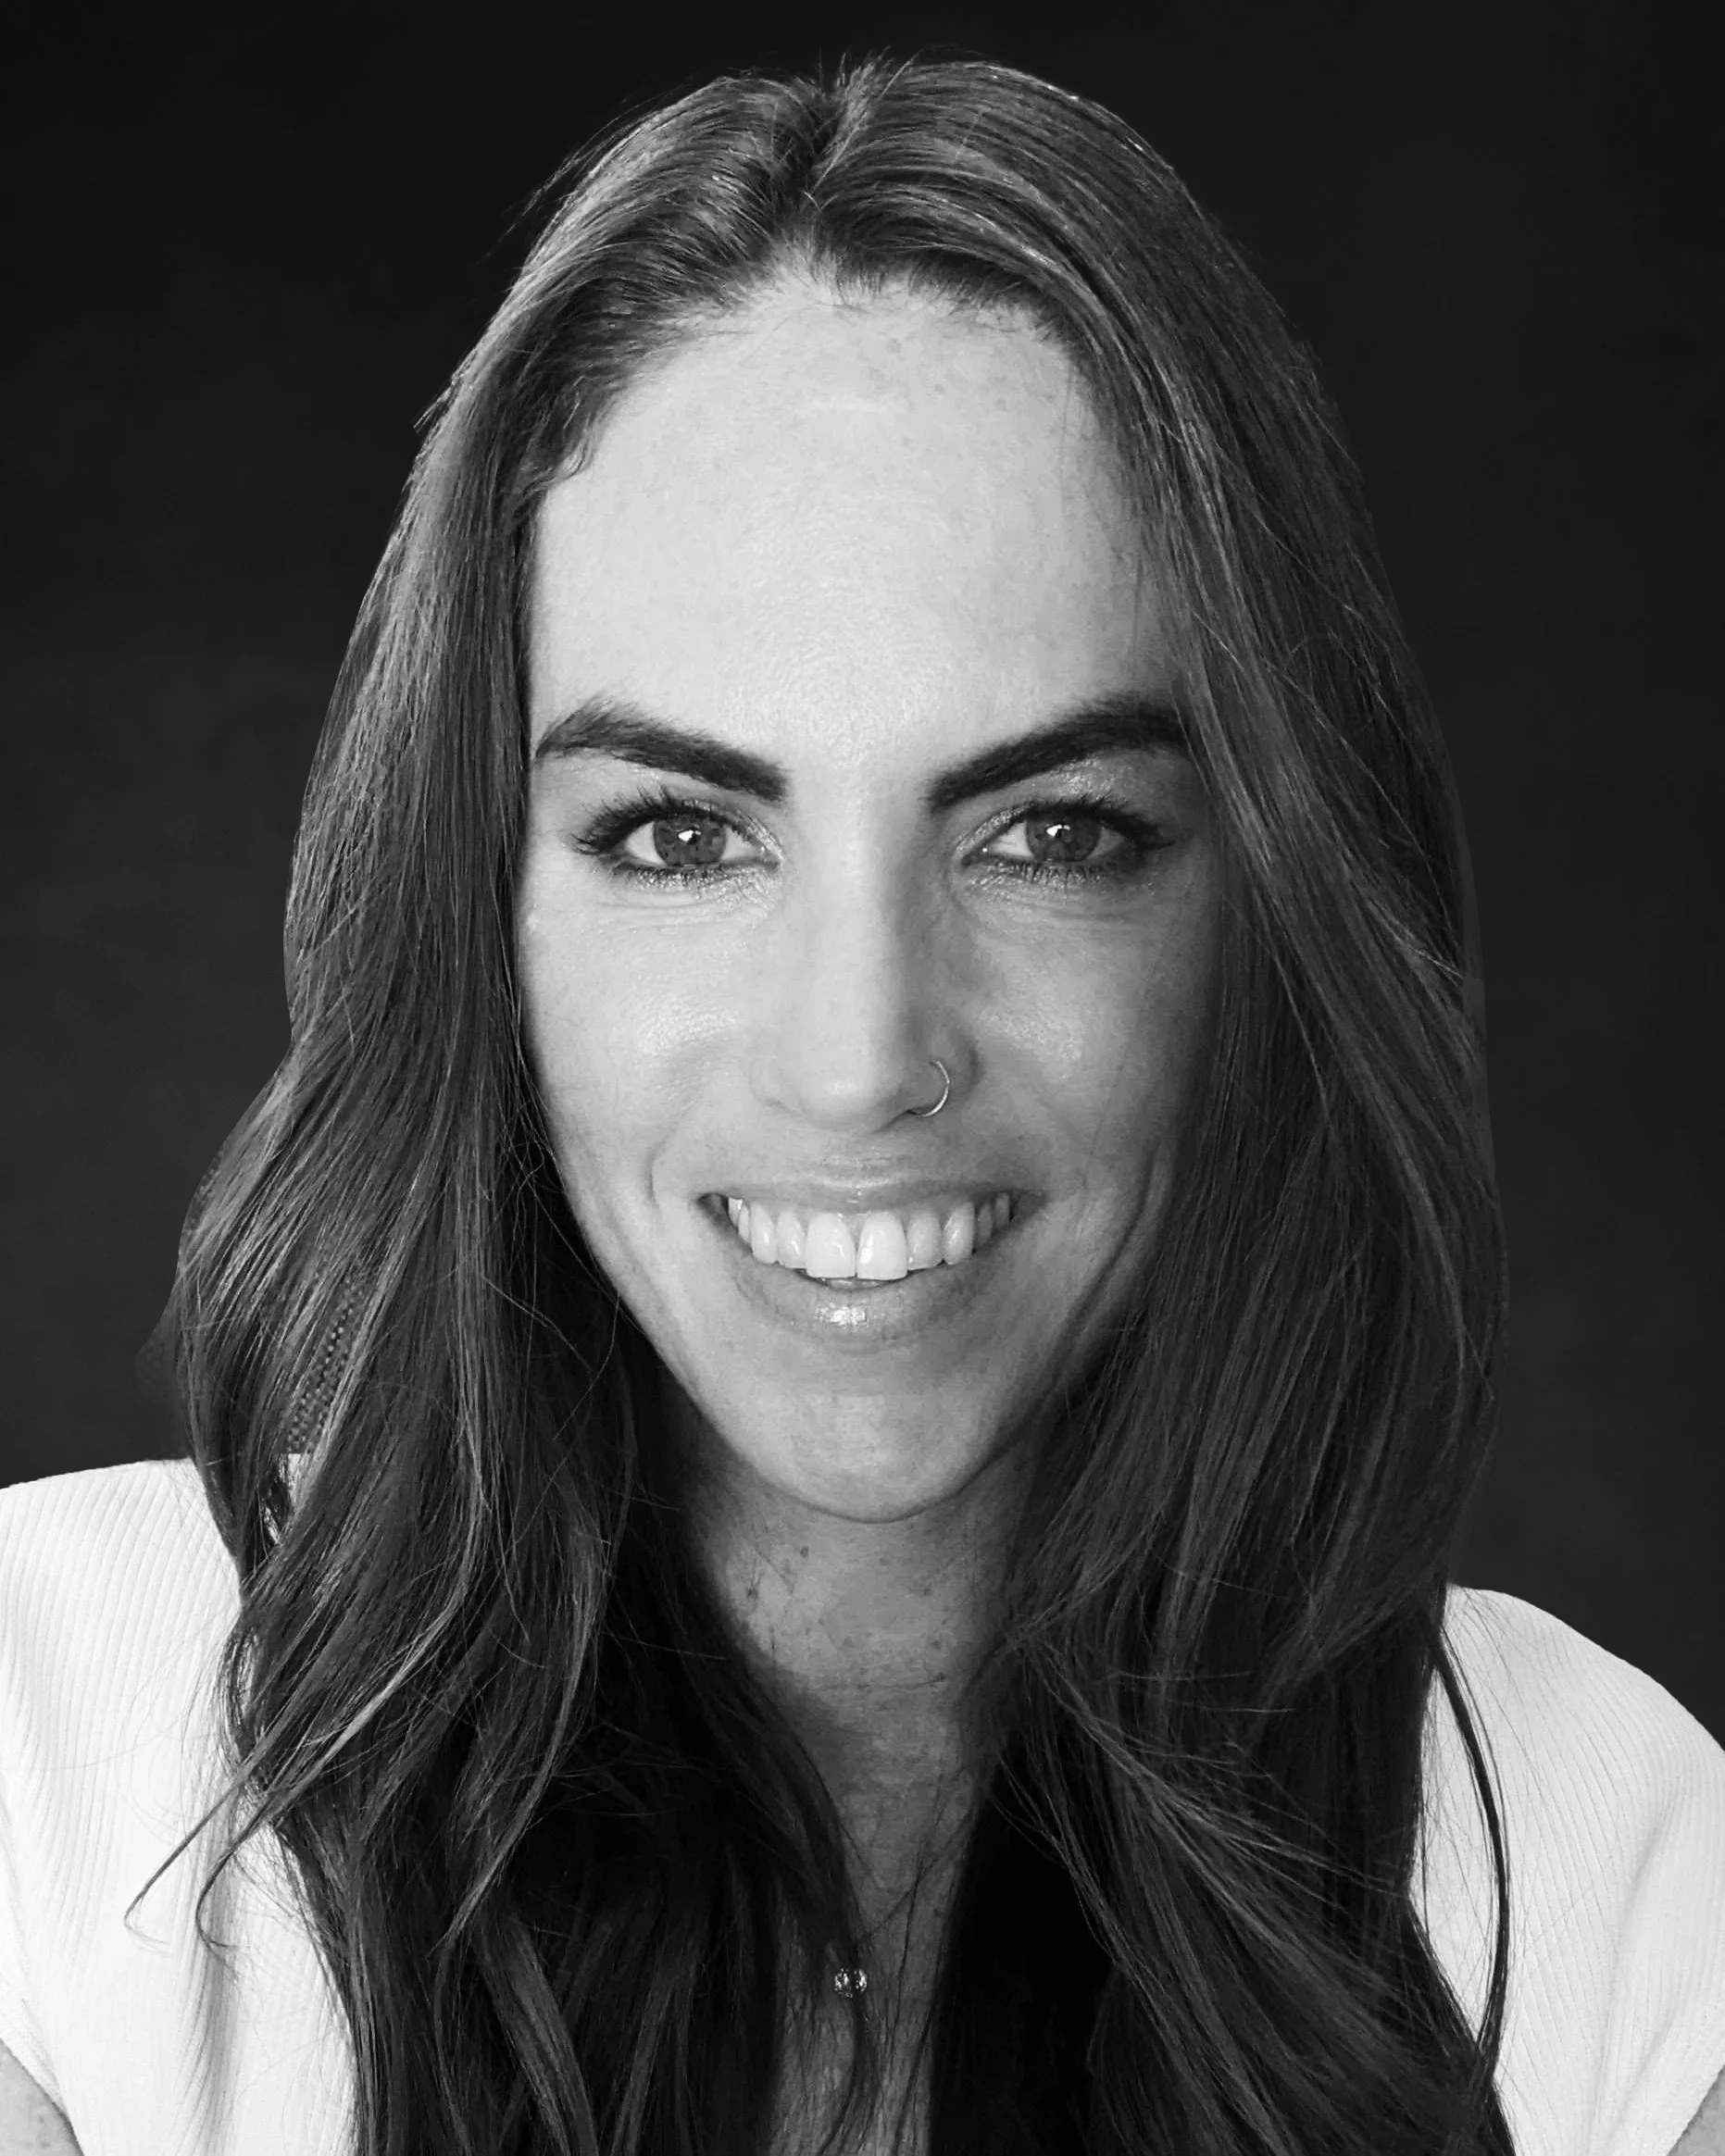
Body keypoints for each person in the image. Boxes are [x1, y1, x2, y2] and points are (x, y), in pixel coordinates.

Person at [2, 50, 1722, 2156]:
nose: (859, 1057)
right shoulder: (47, 1773)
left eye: (1055, 835)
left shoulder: (1618, 1888)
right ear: (477, 902)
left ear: (1269, 910)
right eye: (678, 835)